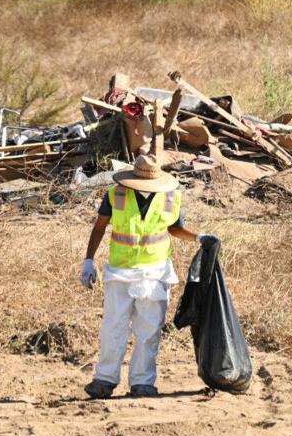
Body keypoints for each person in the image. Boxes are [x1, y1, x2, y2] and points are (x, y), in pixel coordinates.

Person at [80, 155, 214, 398]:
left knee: (149, 330)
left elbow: (174, 228)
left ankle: (143, 383)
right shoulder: (116, 194)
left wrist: (198, 237)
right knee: (113, 328)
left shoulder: (170, 197)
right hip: (120, 272)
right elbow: (99, 226)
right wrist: (89, 260)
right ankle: (105, 380)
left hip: (155, 272)